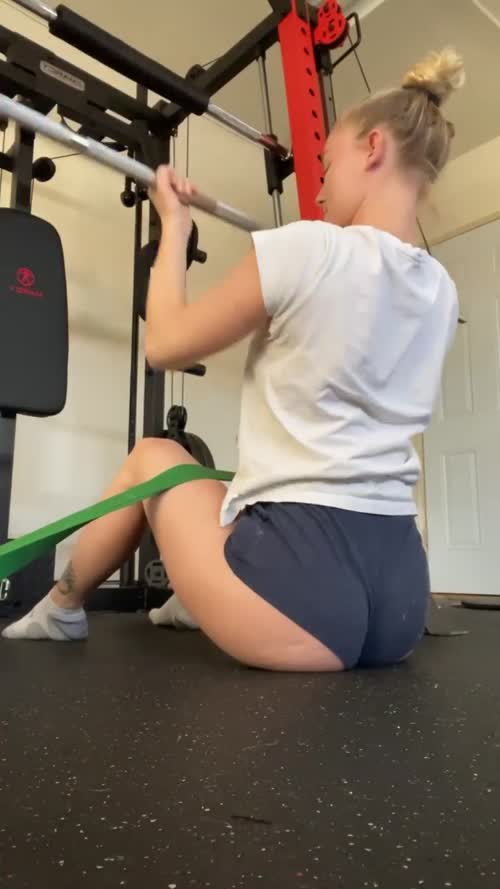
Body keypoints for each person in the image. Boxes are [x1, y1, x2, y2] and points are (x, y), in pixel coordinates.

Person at [2, 48, 464, 672]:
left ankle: (61, 607)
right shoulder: (441, 291)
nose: (320, 187)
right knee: (235, 488)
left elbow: (164, 344)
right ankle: (204, 595)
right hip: (401, 601)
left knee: (154, 458)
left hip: (299, 601)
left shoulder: (310, 247)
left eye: (327, 165)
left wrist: (174, 226)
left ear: (374, 148)